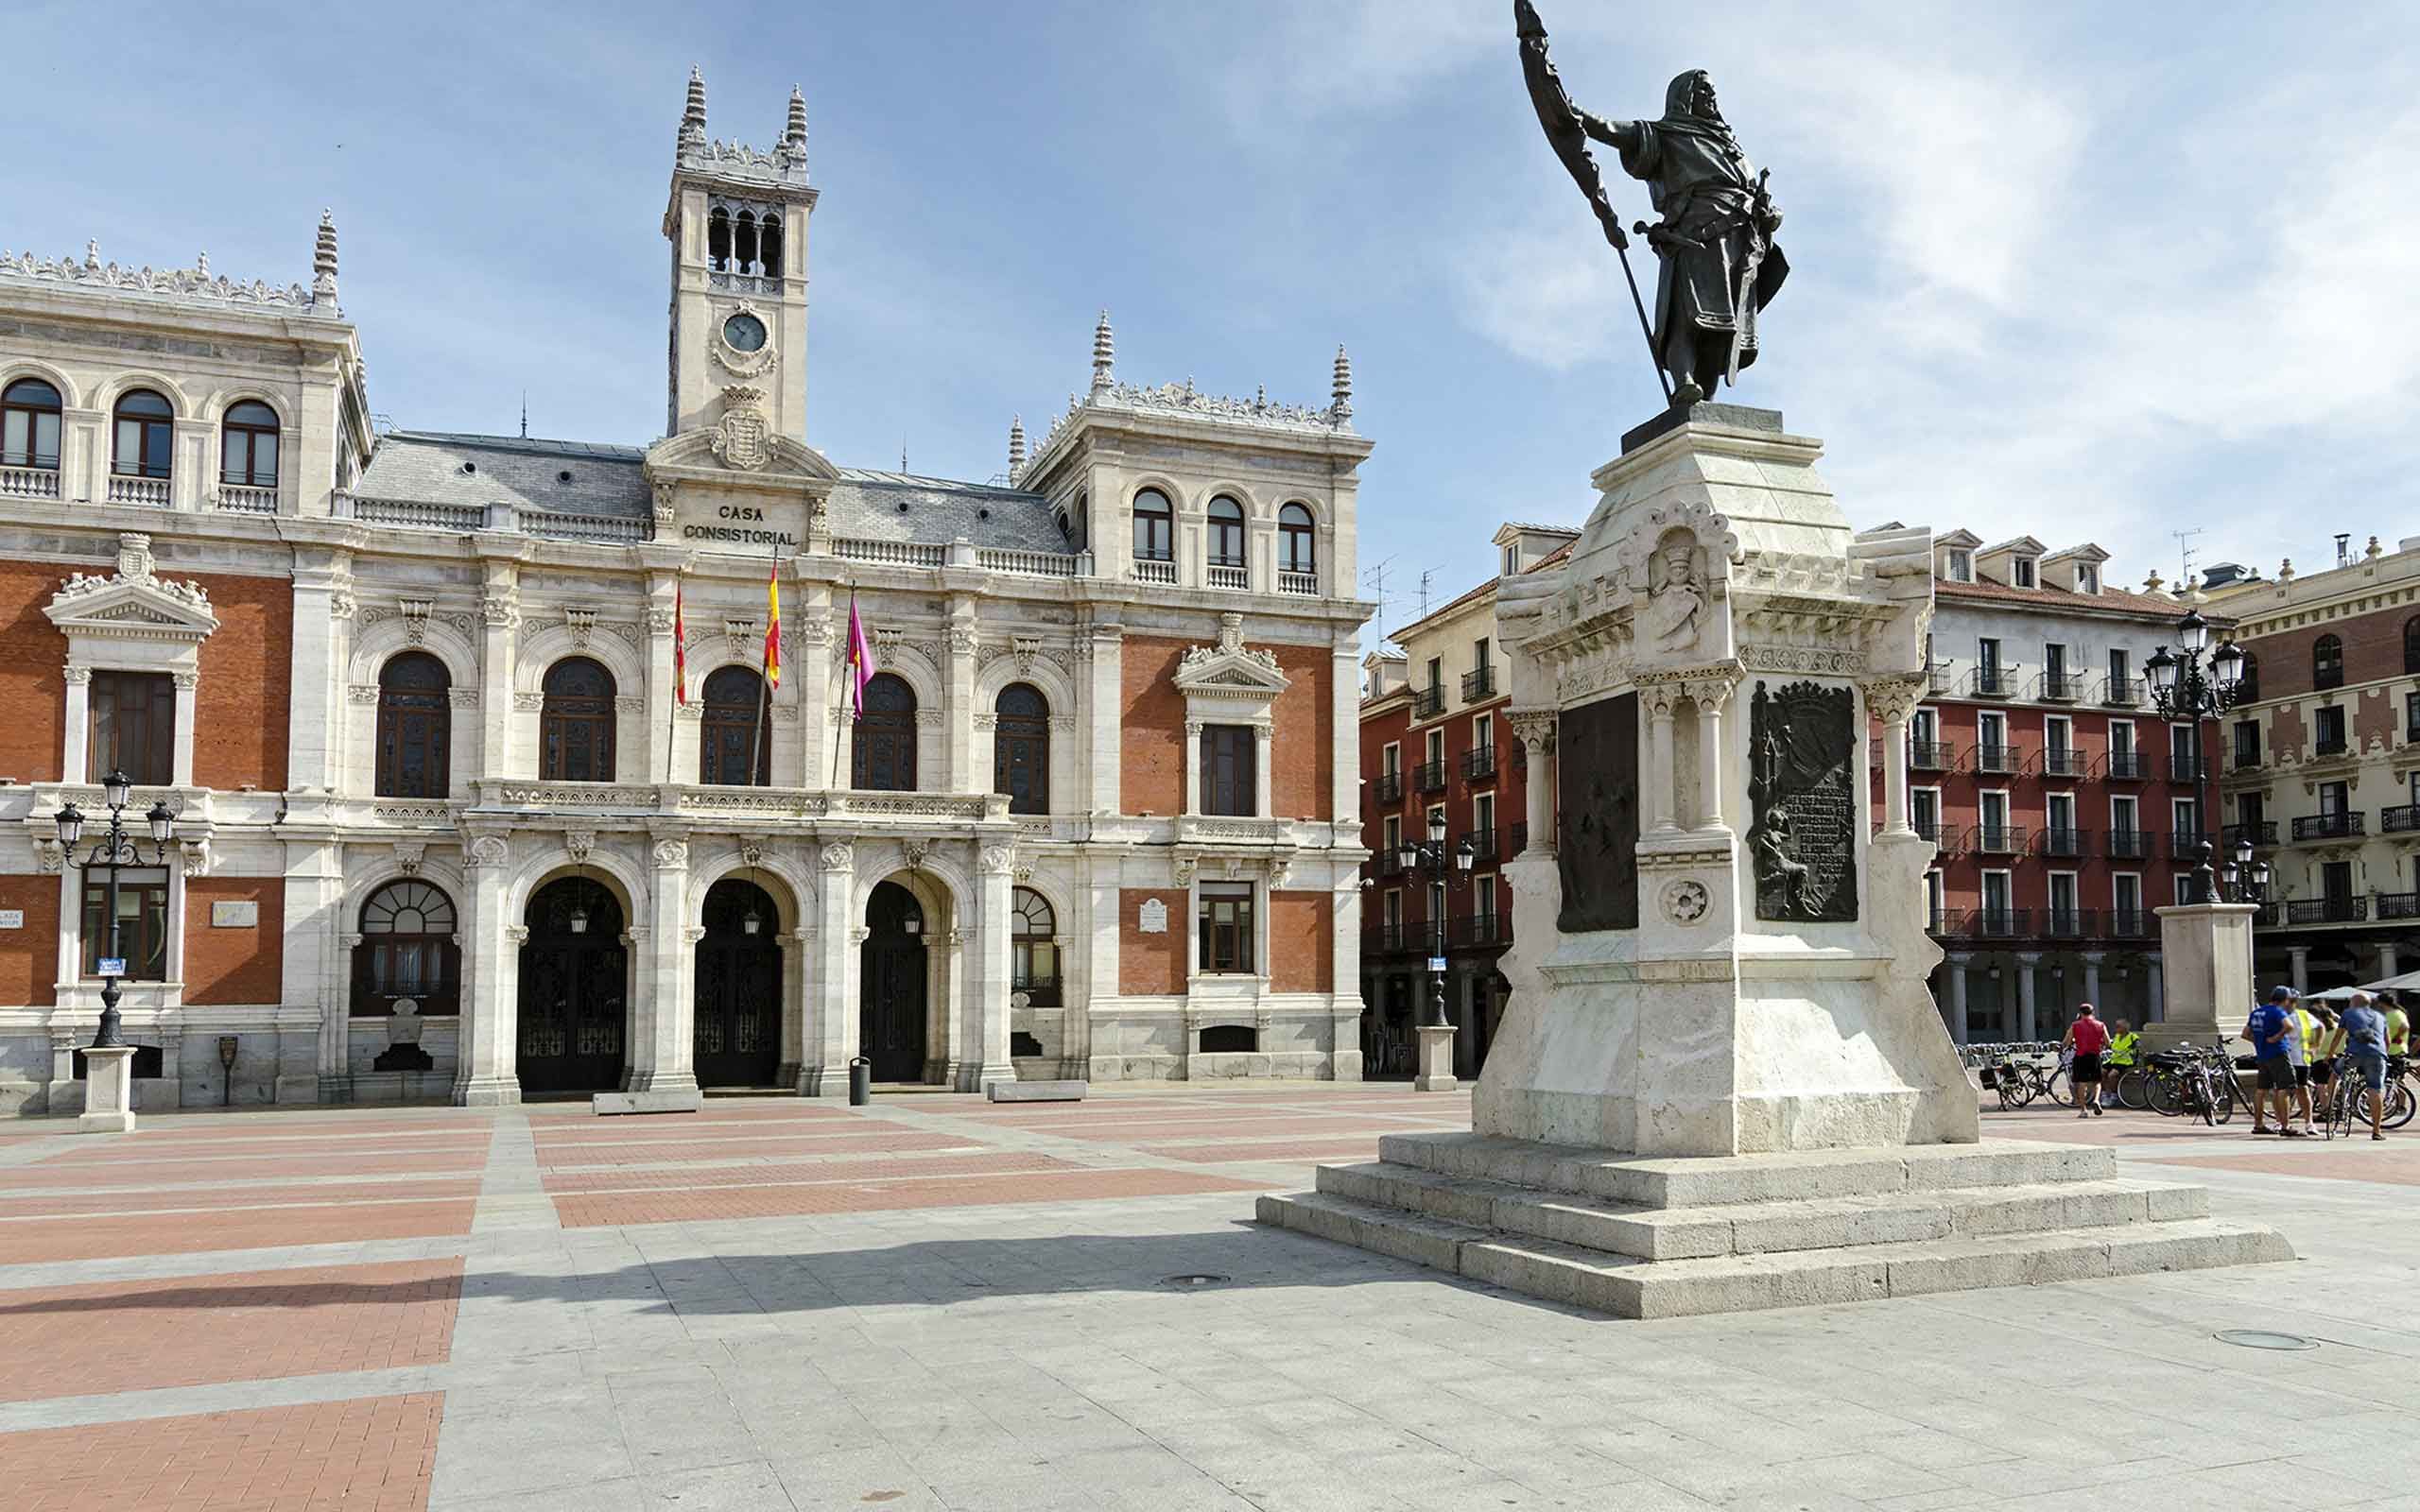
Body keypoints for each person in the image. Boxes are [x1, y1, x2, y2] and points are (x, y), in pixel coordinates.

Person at [2243, 987, 2303, 1137]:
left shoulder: (2256, 1012)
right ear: (2286, 1000)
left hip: (2262, 1055)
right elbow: (2289, 1026)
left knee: (2261, 1090)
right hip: (2278, 1052)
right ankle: (2285, 1125)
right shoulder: (2277, 1011)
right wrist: (2276, 1038)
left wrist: (2259, 1042)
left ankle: (2258, 1124)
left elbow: (2245, 1034)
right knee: (2285, 1087)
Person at [2339, 991, 2393, 1141]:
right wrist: (2383, 1054)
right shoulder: (2381, 1017)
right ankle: (2377, 1131)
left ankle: (2330, 1107)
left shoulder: (2348, 1013)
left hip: (2354, 1054)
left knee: (2335, 1073)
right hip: (2377, 1055)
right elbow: (2387, 1041)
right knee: (2375, 1090)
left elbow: (2339, 1035)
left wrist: (2330, 1054)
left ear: (2353, 1002)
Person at [2064, 1004, 2109, 1118]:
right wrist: (2101, 1045)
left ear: (2081, 1013)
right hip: (2095, 1055)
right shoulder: (2101, 1025)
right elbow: (2108, 1042)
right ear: (2092, 1012)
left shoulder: (2075, 1025)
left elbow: (2067, 1041)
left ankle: (2083, 1110)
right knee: (2097, 1081)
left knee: (2081, 1083)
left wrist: (2069, 1044)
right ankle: (2097, 1100)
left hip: (2080, 1055)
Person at [2287, 994, 2321, 1133]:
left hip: (2301, 1058)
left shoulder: (2303, 1015)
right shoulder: (2277, 1015)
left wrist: (2315, 1046)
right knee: (2283, 1091)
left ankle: (2309, 1122)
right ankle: (2282, 1121)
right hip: (2284, 1058)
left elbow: (2320, 1027)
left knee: (2302, 1089)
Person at [2104, 1018, 2139, 1108]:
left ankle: (2114, 1096)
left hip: (2125, 1061)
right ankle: (2104, 1095)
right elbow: (2112, 1046)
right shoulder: (2117, 1036)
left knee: (2112, 1075)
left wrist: (2134, 1049)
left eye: (2118, 1026)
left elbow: (2138, 1046)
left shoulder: (2132, 1036)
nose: (2116, 1028)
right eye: (2116, 1026)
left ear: (2125, 1027)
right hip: (2114, 1060)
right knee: (2101, 1072)